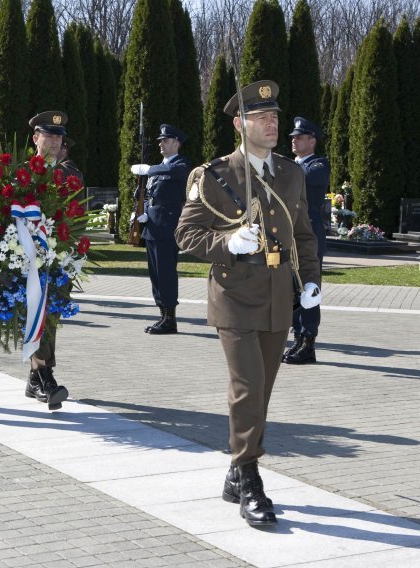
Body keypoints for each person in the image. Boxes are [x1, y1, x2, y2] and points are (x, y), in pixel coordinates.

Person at [175, 81, 321, 527]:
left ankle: (235, 472)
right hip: (236, 299)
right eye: (261, 117)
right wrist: (227, 241)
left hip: (279, 300)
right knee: (247, 388)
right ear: (240, 124)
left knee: (263, 392)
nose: (272, 123)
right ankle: (251, 479)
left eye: (274, 116)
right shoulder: (215, 175)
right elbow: (186, 234)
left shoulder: (291, 173)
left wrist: (311, 280)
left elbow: (303, 233)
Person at [23, 111, 82, 411]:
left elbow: (78, 216)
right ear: (35, 138)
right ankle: (44, 376)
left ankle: (37, 376)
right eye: (49, 135)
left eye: (59, 137)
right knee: (36, 312)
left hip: (60, 257)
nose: (55, 141)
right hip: (28, 257)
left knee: (51, 316)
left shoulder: (72, 175)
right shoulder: (21, 173)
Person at [130, 124, 191, 334]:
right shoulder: (158, 168)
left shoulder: (180, 165)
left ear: (176, 143)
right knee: (155, 274)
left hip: (167, 228)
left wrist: (148, 169)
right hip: (152, 227)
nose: (161, 144)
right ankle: (162, 314)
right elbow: (148, 195)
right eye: (160, 141)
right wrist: (142, 211)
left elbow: (176, 172)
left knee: (166, 273)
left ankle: (170, 318)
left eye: (165, 140)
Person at [283, 117, 330, 365]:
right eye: (292, 137)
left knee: (309, 288)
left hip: (309, 238)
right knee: (292, 289)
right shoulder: (292, 166)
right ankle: (298, 338)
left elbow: (302, 176)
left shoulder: (318, 165)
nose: (293, 140)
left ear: (312, 140)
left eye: (299, 137)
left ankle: (309, 342)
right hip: (290, 236)